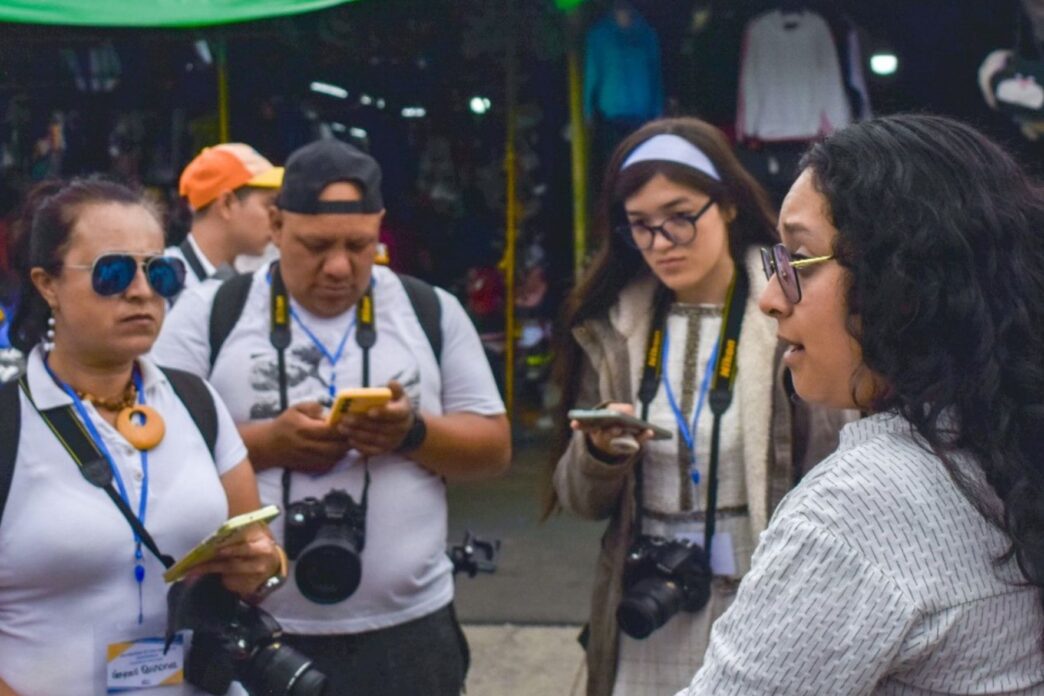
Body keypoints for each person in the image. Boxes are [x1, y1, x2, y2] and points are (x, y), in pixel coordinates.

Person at [679, 113, 1044, 694]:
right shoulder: (1008, 442)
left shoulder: (856, 512)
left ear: (904, 282)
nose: (771, 298)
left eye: (799, 259)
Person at [152, 138, 511, 695]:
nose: (340, 267)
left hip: (409, 635)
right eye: (315, 246)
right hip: (258, 634)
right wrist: (266, 444)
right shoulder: (210, 313)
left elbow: (493, 447)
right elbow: (148, 453)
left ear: (380, 228)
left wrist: (411, 432)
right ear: (274, 226)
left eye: (359, 245)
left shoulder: (430, 310)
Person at [546, 116, 849, 696]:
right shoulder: (614, 326)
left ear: (728, 205)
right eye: (641, 225)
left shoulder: (795, 309)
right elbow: (579, 502)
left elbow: (842, 470)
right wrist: (599, 455)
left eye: (681, 217)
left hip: (766, 598)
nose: (662, 242)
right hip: (648, 601)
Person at [0, 177, 283, 695]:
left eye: (160, 272)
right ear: (47, 284)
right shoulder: (8, 423)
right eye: (112, 272)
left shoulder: (195, 401)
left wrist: (262, 565)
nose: (141, 291)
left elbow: (258, 554)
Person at [167, 143, 283, 293]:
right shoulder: (161, 278)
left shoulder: (251, 284)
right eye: (270, 205)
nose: (278, 218)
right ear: (226, 204)